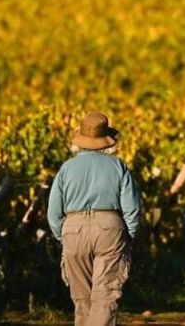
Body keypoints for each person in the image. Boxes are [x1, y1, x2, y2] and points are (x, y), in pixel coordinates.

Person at [47, 112, 142, 326]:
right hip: (110, 228)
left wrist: (64, 236)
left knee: (81, 299)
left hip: (73, 229)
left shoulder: (66, 169)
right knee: (106, 296)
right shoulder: (119, 166)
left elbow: (53, 212)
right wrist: (128, 237)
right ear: (105, 140)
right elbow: (132, 209)